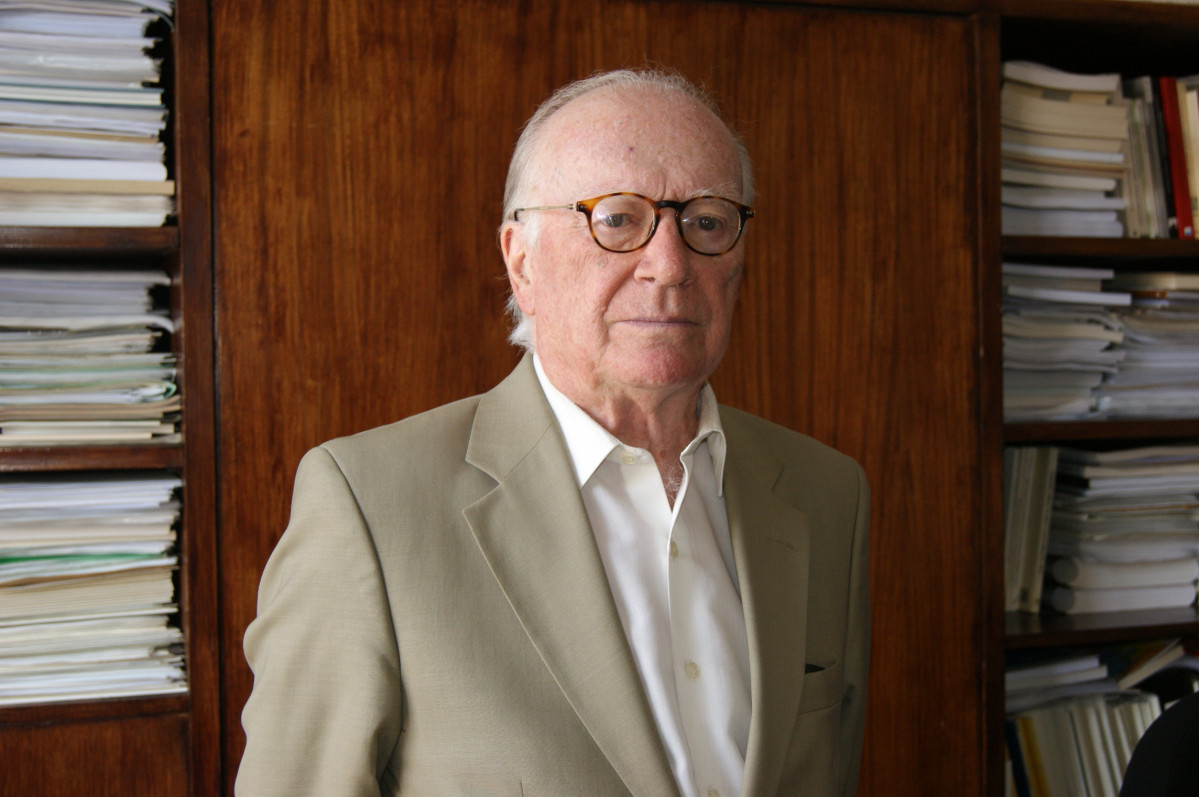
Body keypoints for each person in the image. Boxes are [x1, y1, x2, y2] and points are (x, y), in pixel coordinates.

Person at [236, 68, 870, 797]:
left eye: (706, 221)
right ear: (521, 260)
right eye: (617, 219)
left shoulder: (827, 494)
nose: (669, 265)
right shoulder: (371, 508)